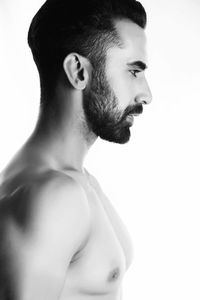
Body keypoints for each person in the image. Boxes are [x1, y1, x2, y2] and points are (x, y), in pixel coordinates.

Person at [0, 0, 152, 299]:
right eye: (134, 71)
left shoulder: (77, 179)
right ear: (78, 71)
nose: (146, 94)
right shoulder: (54, 195)